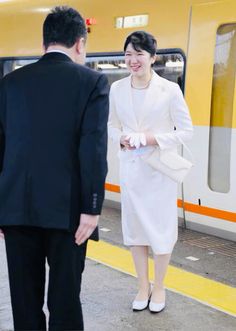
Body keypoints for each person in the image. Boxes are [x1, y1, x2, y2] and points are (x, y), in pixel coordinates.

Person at [0, 6, 109, 331]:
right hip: (70, 214)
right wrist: (91, 209)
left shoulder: (10, 83)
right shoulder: (92, 82)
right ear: (79, 43)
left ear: (45, 41)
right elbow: (93, 149)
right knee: (65, 300)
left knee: (24, 301)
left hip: (17, 210)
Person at [108, 31, 193, 313]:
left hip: (158, 173)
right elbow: (111, 125)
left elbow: (186, 132)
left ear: (152, 58)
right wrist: (121, 138)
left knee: (160, 231)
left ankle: (160, 286)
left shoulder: (169, 90)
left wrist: (151, 138)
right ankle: (142, 286)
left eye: (139, 54)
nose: (133, 60)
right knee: (135, 231)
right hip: (132, 172)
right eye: (128, 54)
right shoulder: (117, 89)